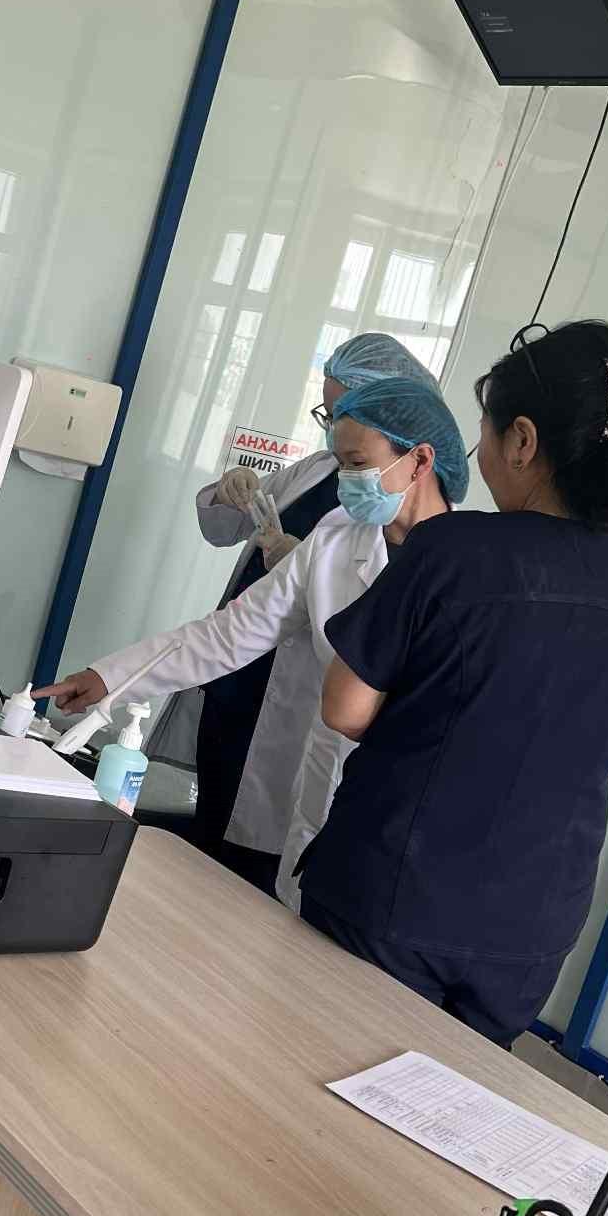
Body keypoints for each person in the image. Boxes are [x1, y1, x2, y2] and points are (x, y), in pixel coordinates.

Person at [303, 320, 608, 1047]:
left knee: (315, 1070)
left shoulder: (453, 550)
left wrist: (438, 720)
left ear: (523, 440)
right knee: (450, 1098)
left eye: (486, 435)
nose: (481, 454)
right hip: (532, 925)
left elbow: (345, 708)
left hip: (394, 890)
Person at [36, 377, 468, 901]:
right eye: (341, 464)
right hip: (320, 783)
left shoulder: (472, 567)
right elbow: (228, 635)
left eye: (357, 463)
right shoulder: (335, 539)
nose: (346, 480)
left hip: (402, 807)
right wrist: (110, 678)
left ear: (419, 461)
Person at [178, 333, 443, 888]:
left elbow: (376, 622)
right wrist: (229, 491)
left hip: (302, 693)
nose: (334, 427)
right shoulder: (320, 469)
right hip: (240, 671)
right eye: (329, 412)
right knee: (212, 819)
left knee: (259, 855)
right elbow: (224, 527)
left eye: (344, 409)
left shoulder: (406, 516)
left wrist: (306, 570)